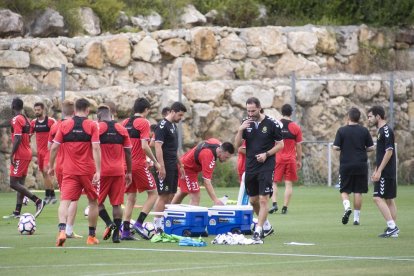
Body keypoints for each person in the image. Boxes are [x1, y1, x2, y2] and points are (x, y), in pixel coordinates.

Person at [48, 98, 101, 246]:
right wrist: (99, 170)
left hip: (69, 171)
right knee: (93, 202)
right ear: (88, 110)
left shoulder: (64, 125)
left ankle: (62, 231)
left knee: (65, 201)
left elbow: (53, 148)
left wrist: (51, 166)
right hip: (87, 171)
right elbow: (96, 148)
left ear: (74, 110)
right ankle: (91, 236)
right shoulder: (92, 125)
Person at [234, 97, 284, 241]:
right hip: (250, 166)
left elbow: (281, 145)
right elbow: (237, 145)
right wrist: (240, 130)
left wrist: (266, 154)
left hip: (266, 166)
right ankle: (266, 226)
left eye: (253, 110)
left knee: (263, 200)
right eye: (248, 111)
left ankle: (259, 230)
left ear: (260, 107)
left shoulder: (272, 123)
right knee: (253, 200)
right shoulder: (245, 122)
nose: (250, 113)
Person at [121, 98, 160, 240]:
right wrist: (155, 162)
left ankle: (125, 231)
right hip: (138, 164)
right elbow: (144, 145)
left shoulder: (125, 122)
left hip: (126, 165)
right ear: (146, 110)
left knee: (131, 197)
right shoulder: (144, 122)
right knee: (153, 193)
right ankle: (139, 223)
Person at [3, 98, 46, 219]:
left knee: (13, 183)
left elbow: (17, 138)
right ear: (21, 107)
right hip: (27, 153)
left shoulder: (16, 119)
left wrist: (12, 154)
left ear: (12, 106)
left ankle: (37, 201)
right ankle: (17, 212)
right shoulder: (26, 119)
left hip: (20, 154)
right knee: (20, 183)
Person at [96, 105, 132, 243]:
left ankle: (109, 223)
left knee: (96, 203)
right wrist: (129, 172)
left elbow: (92, 147)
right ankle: (116, 234)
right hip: (119, 171)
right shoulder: (122, 129)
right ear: (111, 115)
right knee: (117, 204)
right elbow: (128, 152)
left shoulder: (98, 128)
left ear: (98, 117)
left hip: (103, 172)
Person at [333, 107, 374, 225]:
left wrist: (344, 148)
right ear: (359, 118)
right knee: (358, 191)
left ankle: (347, 208)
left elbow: (335, 147)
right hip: (361, 164)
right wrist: (362, 149)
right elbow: (371, 147)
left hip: (346, 164)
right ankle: (356, 219)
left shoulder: (342, 130)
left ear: (348, 117)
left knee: (344, 190)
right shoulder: (364, 131)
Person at [48, 99, 82, 239]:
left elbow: (51, 147)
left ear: (62, 111)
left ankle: (62, 228)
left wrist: (51, 166)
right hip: (73, 166)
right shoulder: (76, 125)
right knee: (73, 199)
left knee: (64, 198)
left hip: (60, 166)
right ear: (74, 111)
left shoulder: (55, 127)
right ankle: (68, 230)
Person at [153, 102, 187, 232]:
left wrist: (181, 165)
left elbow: (174, 149)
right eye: (180, 115)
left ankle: (165, 221)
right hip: (165, 165)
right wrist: (161, 166)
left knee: (171, 194)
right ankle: (157, 225)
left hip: (173, 165)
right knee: (163, 195)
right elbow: (157, 146)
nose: (181, 118)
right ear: (173, 111)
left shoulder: (173, 126)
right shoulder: (162, 126)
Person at [171, 139, 235, 206]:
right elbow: (207, 182)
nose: (226, 160)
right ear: (221, 152)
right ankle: (192, 216)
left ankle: (170, 212)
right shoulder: (208, 156)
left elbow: (207, 141)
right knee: (195, 196)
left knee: (183, 192)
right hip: (186, 169)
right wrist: (216, 200)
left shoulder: (217, 143)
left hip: (186, 163)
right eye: (226, 157)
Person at [367, 105, 399, 238]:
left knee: (377, 197)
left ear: (378, 116)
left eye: (370, 116)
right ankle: (393, 229)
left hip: (386, 172)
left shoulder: (386, 130)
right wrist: (375, 170)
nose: (368, 119)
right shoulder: (380, 131)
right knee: (389, 199)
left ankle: (392, 227)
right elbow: (380, 154)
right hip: (385, 171)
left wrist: (379, 170)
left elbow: (389, 151)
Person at [269, 104, 303, 215]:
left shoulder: (276, 125)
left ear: (281, 112)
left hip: (278, 158)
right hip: (291, 159)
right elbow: (298, 146)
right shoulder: (295, 127)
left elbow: (270, 142)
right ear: (291, 113)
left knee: (273, 182)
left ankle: (274, 204)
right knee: (288, 184)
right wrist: (299, 160)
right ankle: (284, 207)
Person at [30, 102, 57, 204]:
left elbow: (58, 134)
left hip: (49, 151)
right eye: (35, 110)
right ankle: (50, 194)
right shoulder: (33, 123)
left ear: (43, 110)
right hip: (40, 153)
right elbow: (28, 135)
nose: (37, 112)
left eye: (38, 110)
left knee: (46, 171)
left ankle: (50, 196)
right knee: (44, 174)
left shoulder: (51, 121)